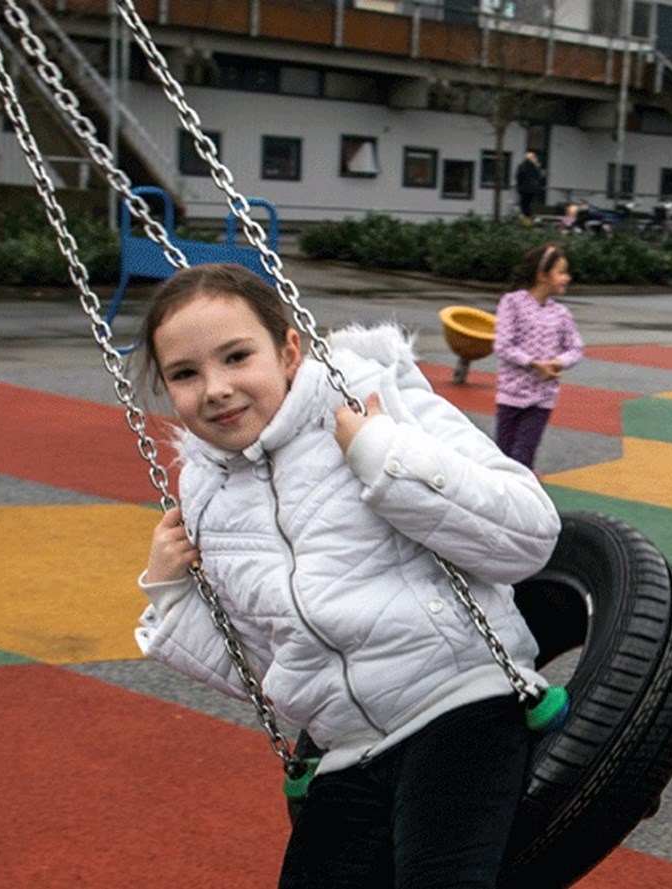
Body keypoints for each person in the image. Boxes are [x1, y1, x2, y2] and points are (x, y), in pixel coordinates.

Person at [132, 263, 561, 886]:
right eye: (186, 374)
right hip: (345, 748)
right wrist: (172, 596)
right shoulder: (203, 491)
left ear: (288, 350)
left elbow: (528, 535)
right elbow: (273, 662)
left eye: (236, 356)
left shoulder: (372, 399)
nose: (217, 388)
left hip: (460, 703)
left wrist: (383, 456)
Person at [495, 243, 584, 471]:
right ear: (542, 274)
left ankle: (523, 499)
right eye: (561, 272)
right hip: (510, 394)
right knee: (502, 455)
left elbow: (576, 348)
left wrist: (557, 362)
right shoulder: (512, 303)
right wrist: (535, 364)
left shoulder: (561, 313)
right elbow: (503, 345)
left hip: (542, 398)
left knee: (523, 455)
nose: (567, 278)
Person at [514, 150, 546, 220]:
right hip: (532, 190)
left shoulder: (522, 166)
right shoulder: (535, 167)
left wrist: (519, 187)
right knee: (529, 206)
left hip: (524, 189)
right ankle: (529, 219)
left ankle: (527, 219)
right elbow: (539, 177)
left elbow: (518, 177)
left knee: (524, 206)